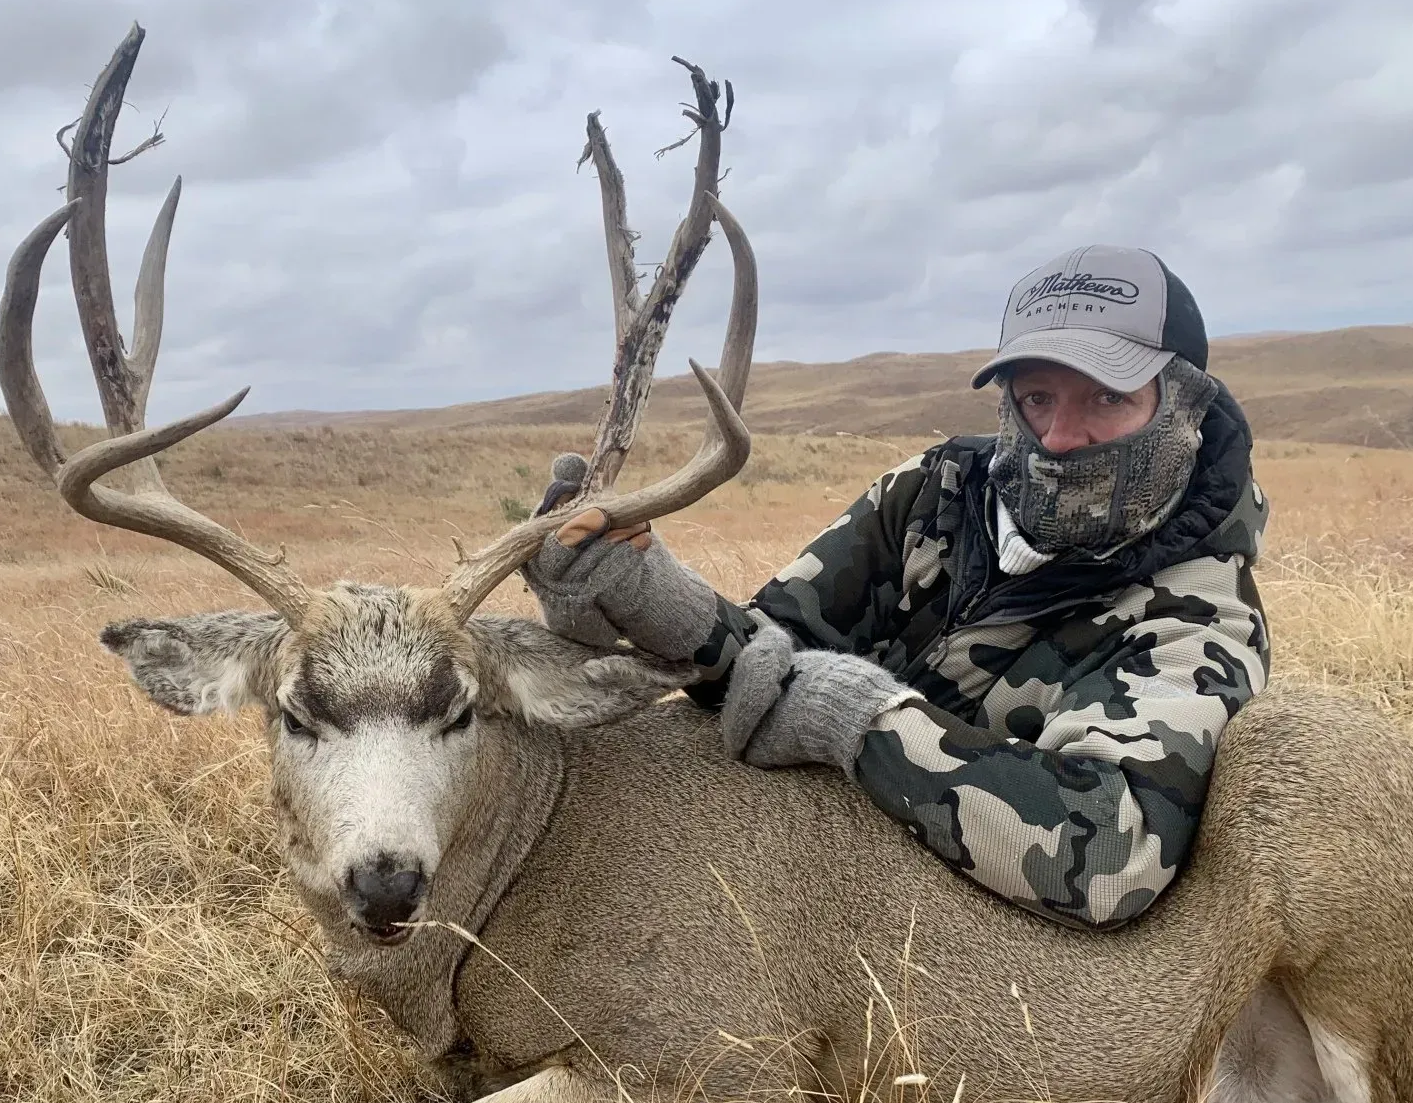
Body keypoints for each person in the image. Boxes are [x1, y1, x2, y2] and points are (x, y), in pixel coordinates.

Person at [523, 245, 1269, 930]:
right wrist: (647, 596)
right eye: (1037, 398)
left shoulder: (1198, 615)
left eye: (1107, 399)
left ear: (1184, 407)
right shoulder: (932, 492)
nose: (1061, 437)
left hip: (980, 973)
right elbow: (774, 658)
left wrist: (867, 725)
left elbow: (1111, 854)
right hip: (819, 892)